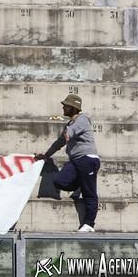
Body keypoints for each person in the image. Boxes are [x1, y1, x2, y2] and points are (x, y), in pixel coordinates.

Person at [34, 93, 101, 232]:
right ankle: (81, 184)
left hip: (87, 159)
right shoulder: (70, 124)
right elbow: (60, 142)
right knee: (59, 181)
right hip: (76, 161)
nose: (63, 107)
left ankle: (89, 224)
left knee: (90, 192)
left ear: (74, 108)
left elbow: (72, 131)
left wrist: (68, 133)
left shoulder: (83, 119)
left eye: (66, 106)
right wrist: (46, 155)